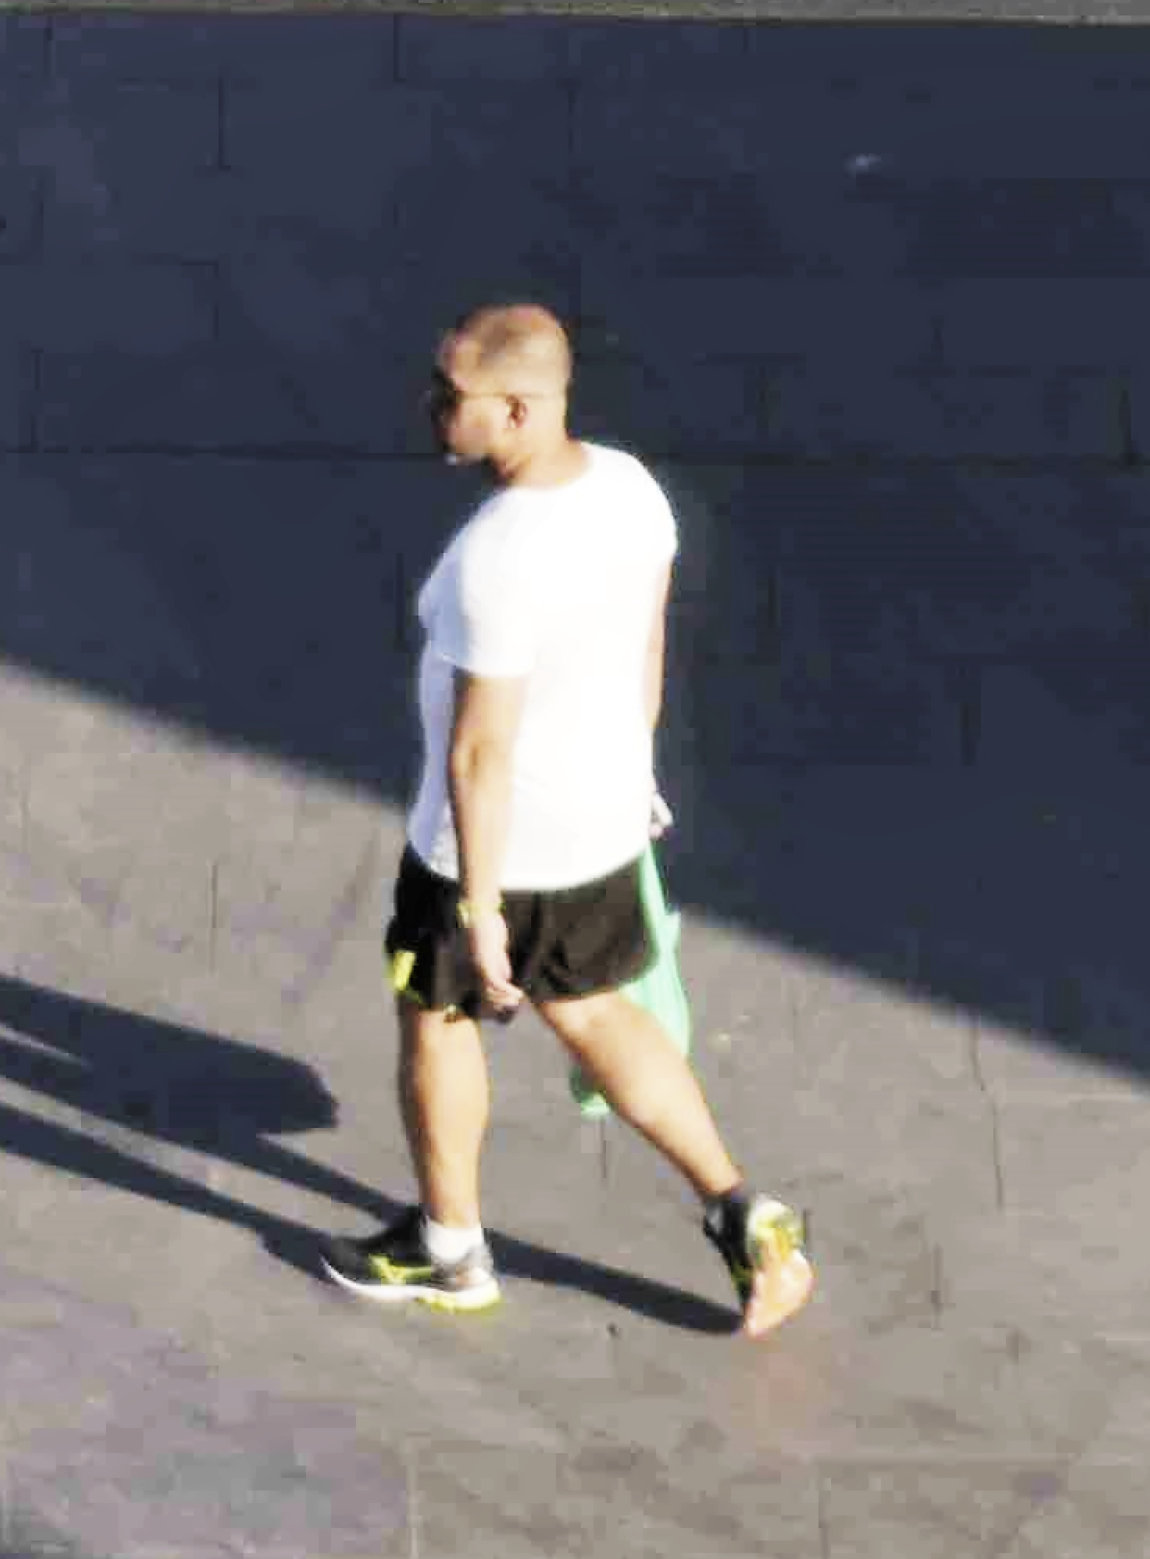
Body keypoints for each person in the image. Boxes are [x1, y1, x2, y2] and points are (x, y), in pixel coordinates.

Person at [331, 302, 811, 1333]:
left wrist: (483, 909)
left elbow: (479, 752)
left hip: (492, 854)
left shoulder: (494, 559)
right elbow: (646, 645)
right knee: (592, 1008)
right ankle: (744, 1213)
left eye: (448, 396)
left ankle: (450, 1252)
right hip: (599, 821)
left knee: (437, 1017)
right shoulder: (629, 490)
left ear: (515, 408)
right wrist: (634, 775)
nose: (430, 407)